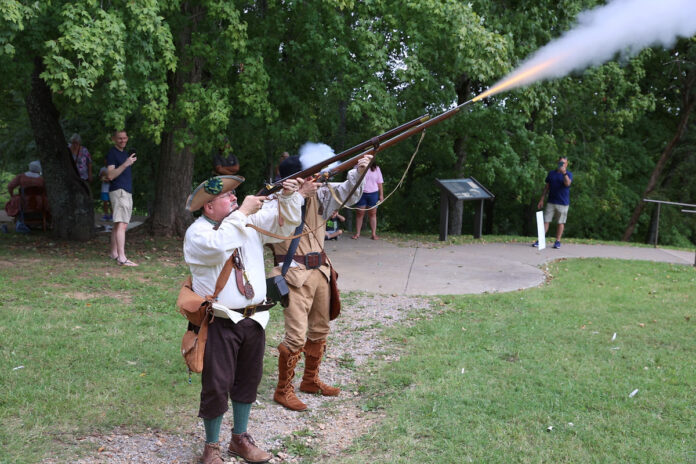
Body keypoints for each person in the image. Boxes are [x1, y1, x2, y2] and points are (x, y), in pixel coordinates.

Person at [183, 174, 303, 464]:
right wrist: (243, 213)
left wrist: (287, 197)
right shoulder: (199, 233)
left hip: (255, 319)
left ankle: (240, 438)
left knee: (248, 381)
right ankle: (211, 447)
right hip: (220, 321)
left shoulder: (244, 221)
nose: (235, 199)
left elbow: (284, 223)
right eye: (227, 197)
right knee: (216, 384)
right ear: (208, 207)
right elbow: (218, 247)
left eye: (235, 196)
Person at [270, 153, 372, 411]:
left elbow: (349, 192)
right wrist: (298, 194)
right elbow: (278, 217)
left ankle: (310, 380)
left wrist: (360, 171)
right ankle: (283, 390)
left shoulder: (321, 194)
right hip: (293, 274)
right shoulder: (273, 200)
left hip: (321, 272)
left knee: (320, 331)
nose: (317, 180)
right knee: (295, 336)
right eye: (311, 175)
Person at [106, 130, 138, 266]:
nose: (123, 141)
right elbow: (110, 175)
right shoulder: (112, 153)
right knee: (122, 224)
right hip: (120, 192)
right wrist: (126, 164)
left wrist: (127, 161)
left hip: (125, 191)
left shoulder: (125, 153)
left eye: (125, 138)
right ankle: (122, 257)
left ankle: (114, 253)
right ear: (114, 139)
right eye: (119, 138)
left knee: (117, 223)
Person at [534, 156, 573, 249]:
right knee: (546, 221)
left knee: (560, 222)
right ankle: (540, 240)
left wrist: (564, 173)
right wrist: (542, 199)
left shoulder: (568, 174)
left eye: (564, 163)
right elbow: (547, 187)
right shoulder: (551, 173)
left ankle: (557, 241)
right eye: (560, 162)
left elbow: (567, 184)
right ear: (558, 162)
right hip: (551, 201)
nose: (562, 164)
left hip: (563, 203)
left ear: (566, 164)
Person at [352, 162, 383, 240]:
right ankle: (357, 233)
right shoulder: (357, 167)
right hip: (361, 193)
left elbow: (380, 183)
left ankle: (373, 234)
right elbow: (353, 180)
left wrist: (381, 195)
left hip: (373, 193)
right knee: (360, 213)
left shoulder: (376, 168)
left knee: (373, 213)